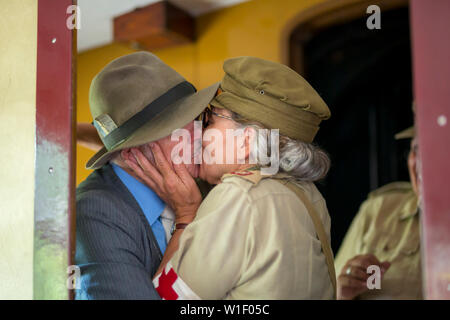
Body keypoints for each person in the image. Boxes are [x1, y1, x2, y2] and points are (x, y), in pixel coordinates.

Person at [126, 56, 336, 299]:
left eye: (210, 120)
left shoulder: (239, 196)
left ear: (246, 142)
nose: (199, 134)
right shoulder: (308, 194)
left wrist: (185, 216)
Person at [75, 51, 219, 299]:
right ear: (133, 153)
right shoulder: (94, 214)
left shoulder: (203, 181)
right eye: (177, 129)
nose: (200, 135)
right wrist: (186, 219)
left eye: (197, 117)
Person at [335, 126, 422, 300]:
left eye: (434, 148)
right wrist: (342, 293)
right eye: (416, 149)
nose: (421, 161)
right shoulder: (379, 209)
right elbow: (329, 291)